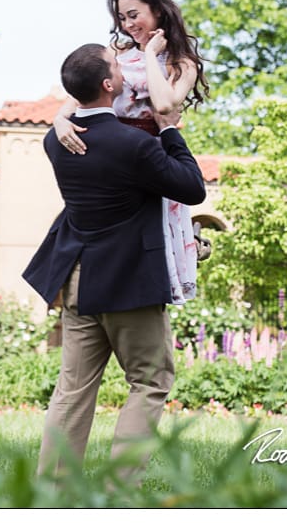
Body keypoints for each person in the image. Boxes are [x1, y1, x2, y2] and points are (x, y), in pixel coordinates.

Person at [22, 43, 206, 484]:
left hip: (78, 281)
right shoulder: (133, 145)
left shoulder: (57, 139)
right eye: (115, 64)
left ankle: (53, 488)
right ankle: (118, 487)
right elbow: (191, 188)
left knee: (73, 388)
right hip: (128, 284)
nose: (124, 68)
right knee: (150, 380)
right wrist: (170, 129)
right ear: (109, 84)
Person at [55, 0, 210, 304]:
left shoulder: (181, 63)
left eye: (134, 15)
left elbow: (166, 104)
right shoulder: (116, 53)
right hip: (112, 157)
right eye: (122, 18)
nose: (127, 25)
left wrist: (151, 53)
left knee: (152, 239)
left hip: (150, 159)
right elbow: (75, 100)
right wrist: (58, 121)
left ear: (157, 9)